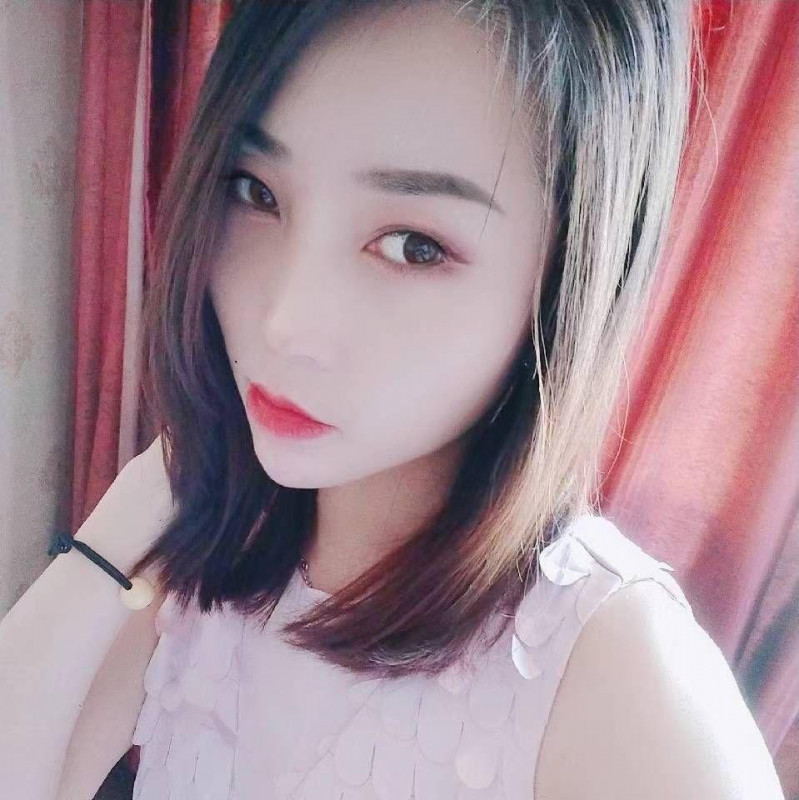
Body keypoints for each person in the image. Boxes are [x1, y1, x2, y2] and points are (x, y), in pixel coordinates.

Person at [0, 1, 786, 798]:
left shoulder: (620, 680)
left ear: (565, 283)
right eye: (256, 191)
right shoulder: (214, 550)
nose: (284, 325)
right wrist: (146, 491)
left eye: (413, 246)